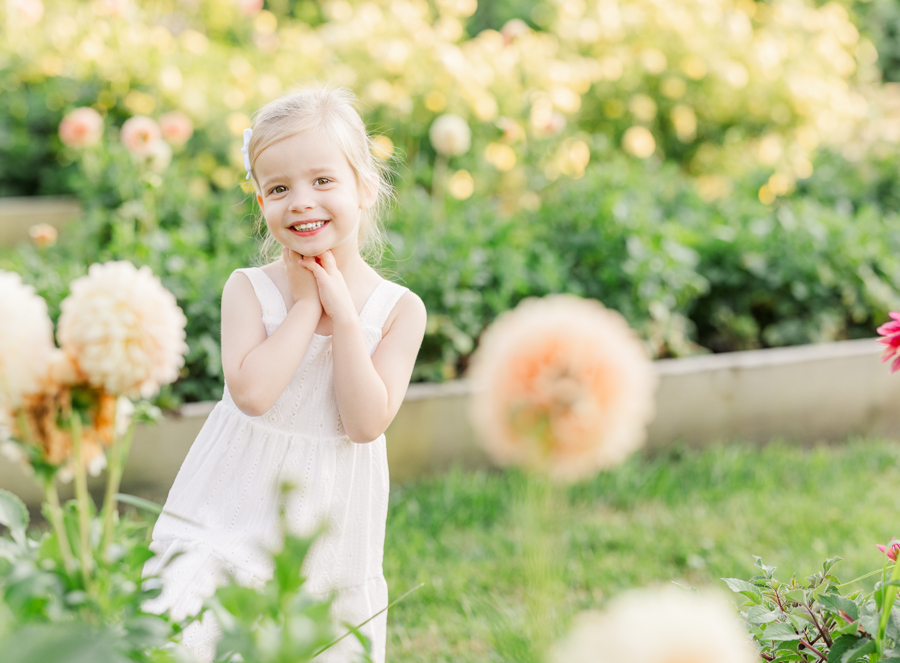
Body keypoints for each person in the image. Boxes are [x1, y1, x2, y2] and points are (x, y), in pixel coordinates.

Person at [142, 85, 427, 663]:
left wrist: (343, 318)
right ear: (262, 201)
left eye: (323, 181)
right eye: (278, 188)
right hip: (232, 503)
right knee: (190, 631)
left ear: (365, 187)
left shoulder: (397, 310)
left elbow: (366, 423)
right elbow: (252, 393)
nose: (301, 201)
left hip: (328, 521)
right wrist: (304, 308)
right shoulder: (251, 290)